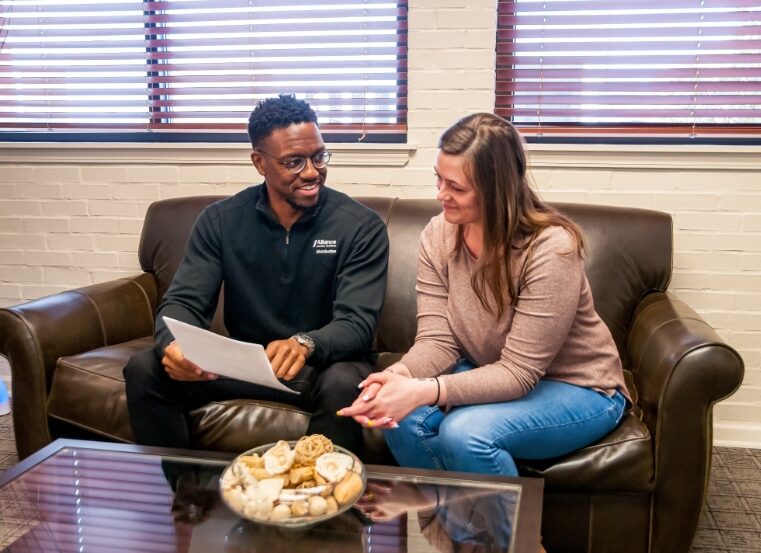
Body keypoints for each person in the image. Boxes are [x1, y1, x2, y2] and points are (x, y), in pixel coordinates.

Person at [338, 112, 629, 478]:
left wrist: (425, 390)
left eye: (456, 187)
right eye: (438, 179)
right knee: (397, 415)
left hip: (579, 387)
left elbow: (520, 373)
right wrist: (398, 377)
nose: (441, 195)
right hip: (489, 371)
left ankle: (514, 537)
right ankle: (456, 531)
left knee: (466, 434)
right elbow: (437, 342)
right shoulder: (438, 234)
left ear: (498, 190)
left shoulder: (552, 249)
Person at [124, 94, 389, 453]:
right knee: (145, 368)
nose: (311, 172)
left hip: (322, 367)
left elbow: (357, 323)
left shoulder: (360, 226)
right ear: (260, 163)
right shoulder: (221, 221)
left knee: (345, 383)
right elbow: (183, 302)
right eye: (294, 162)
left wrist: (306, 343)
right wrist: (175, 345)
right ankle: (186, 499)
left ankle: (322, 503)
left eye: (318, 156)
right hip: (246, 363)